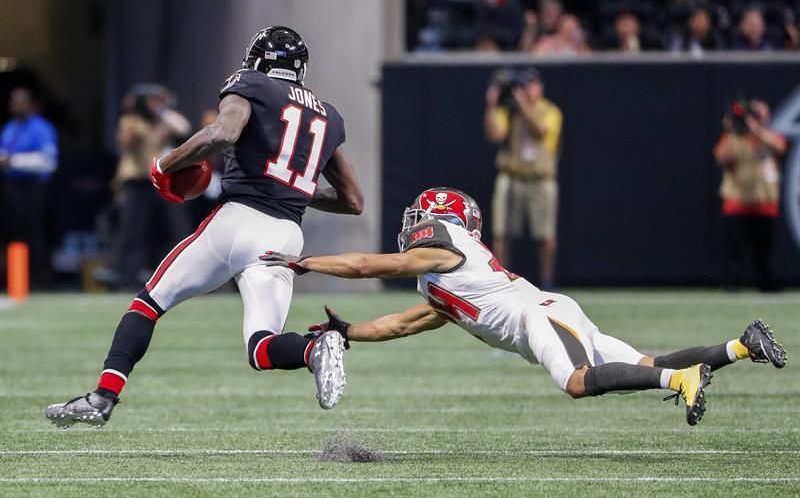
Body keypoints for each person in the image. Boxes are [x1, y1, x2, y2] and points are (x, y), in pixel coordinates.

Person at [45, 26, 364, 428]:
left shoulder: (250, 83)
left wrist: (166, 163)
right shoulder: (327, 114)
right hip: (286, 235)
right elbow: (353, 201)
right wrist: (296, 189)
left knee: (148, 303)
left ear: (259, 61)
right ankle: (313, 350)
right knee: (261, 347)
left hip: (237, 220)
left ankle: (103, 397)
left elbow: (224, 132)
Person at [261, 188, 787, 426]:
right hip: (550, 310)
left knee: (578, 381)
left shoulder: (447, 249)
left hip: (541, 315)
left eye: (418, 216)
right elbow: (403, 323)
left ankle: (684, 381)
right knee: (646, 363)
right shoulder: (442, 286)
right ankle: (743, 345)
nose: (411, 226)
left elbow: (369, 266)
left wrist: (308, 263)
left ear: (438, 220)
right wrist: (350, 330)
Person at [485, 68, 562, 289]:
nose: (525, 91)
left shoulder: (549, 111)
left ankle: (547, 281)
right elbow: (494, 135)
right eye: (522, 86)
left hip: (540, 179)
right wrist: (492, 105)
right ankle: (500, 281)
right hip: (512, 177)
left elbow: (541, 130)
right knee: (503, 232)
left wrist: (522, 104)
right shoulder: (510, 111)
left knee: (545, 235)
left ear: (539, 87)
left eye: (529, 85)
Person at [111, 87, 194, 289]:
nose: (155, 104)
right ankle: (126, 280)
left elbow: (183, 128)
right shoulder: (131, 121)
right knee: (132, 233)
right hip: (138, 182)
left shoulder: (164, 120)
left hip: (162, 181)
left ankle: (182, 279)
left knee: (178, 230)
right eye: (151, 101)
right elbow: (125, 143)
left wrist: (161, 112)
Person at [714, 100, 786, 291]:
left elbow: (780, 148)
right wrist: (729, 130)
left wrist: (756, 130)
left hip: (764, 204)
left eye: (758, 114)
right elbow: (721, 157)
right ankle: (732, 284)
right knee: (734, 250)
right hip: (737, 203)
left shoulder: (771, 137)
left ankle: (766, 284)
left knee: (763, 252)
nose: (753, 118)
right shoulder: (734, 138)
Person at [0, 87, 58, 289]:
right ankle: (15, 280)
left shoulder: (41, 128)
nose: (16, 106)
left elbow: (48, 161)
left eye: (20, 102)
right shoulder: (9, 128)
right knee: (13, 233)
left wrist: (14, 161)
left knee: (35, 233)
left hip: (34, 186)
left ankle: (39, 279)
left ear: (30, 104)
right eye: (13, 102)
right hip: (12, 186)